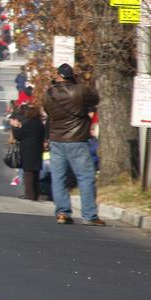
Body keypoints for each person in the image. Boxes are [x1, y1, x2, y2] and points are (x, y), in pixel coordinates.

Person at [43, 64, 103, 225]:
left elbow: (48, 112)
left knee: (58, 177)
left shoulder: (49, 93)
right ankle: (90, 215)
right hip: (77, 140)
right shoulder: (81, 91)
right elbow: (95, 99)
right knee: (85, 177)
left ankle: (62, 212)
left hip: (56, 139)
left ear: (58, 76)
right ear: (72, 76)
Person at [9, 103, 46, 200]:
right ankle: (35, 194)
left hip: (28, 150)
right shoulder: (39, 123)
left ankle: (29, 194)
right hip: (38, 150)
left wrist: (15, 126)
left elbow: (18, 135)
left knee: (28, 173)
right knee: (36, 173)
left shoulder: (28, 123)